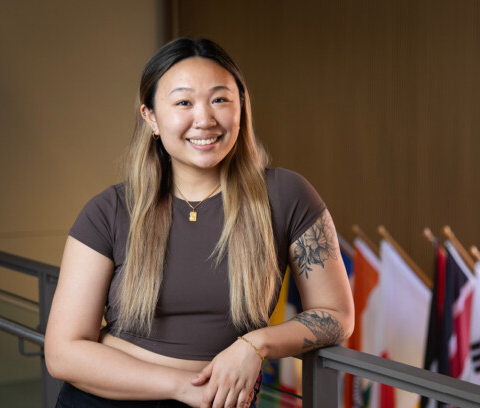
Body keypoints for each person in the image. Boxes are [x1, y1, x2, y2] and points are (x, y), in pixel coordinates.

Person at [44, 37, 354, 408]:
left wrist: (255, 345)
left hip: (221, 402)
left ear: (242, 106)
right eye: (183, 102)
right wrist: (183, 387)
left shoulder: (287, 194)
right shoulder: (108, 210)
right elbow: (63, 352)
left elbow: (336, 315)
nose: (205, 119)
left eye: (220, 99)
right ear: (151, 118)